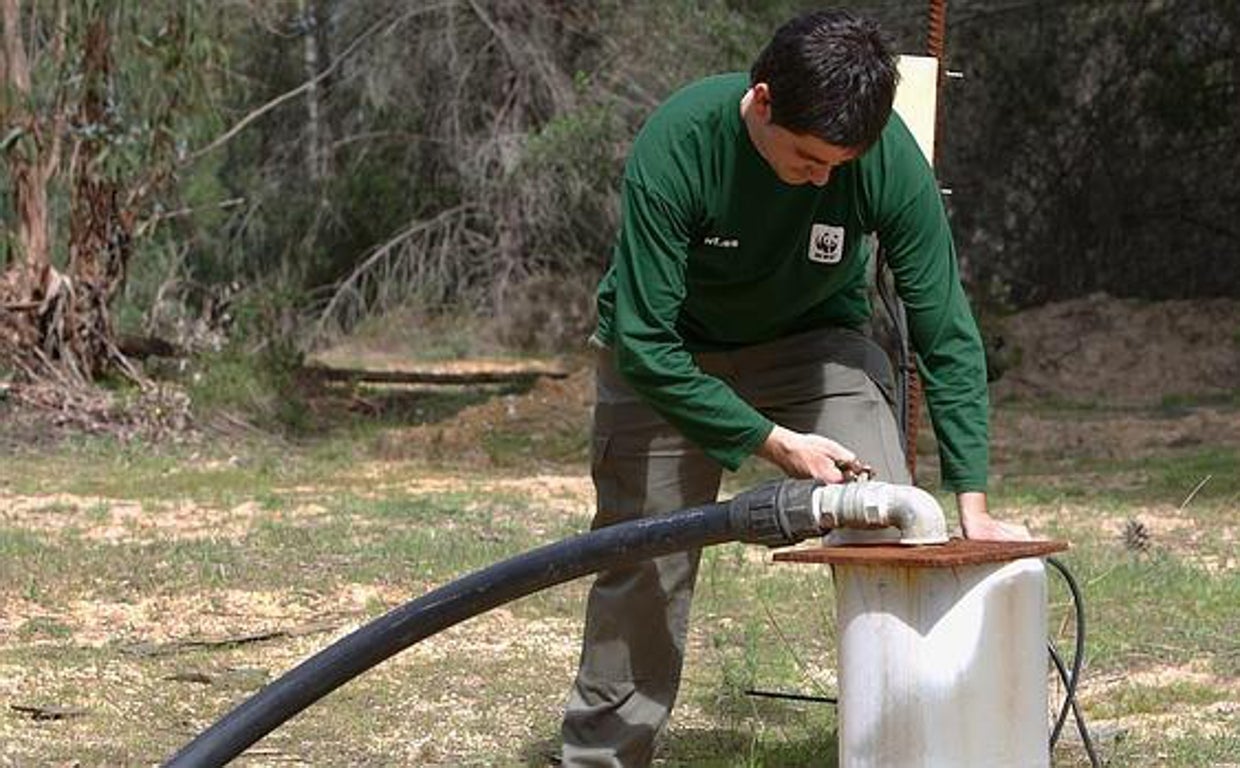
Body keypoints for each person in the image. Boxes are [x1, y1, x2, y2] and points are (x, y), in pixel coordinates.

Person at [560, 9, 1028, 766]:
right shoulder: (678, 145)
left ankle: (910, 743)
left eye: (841, 164)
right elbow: (644, 343)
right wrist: (772, 444)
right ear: (764, 100)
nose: (825, 178)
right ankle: (601, 754)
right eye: (809, 160)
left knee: (893, 520)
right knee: (645, 554)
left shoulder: (881, 159)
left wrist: (972, 498)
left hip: (812, 344)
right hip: (670, 352)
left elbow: (943, 324)